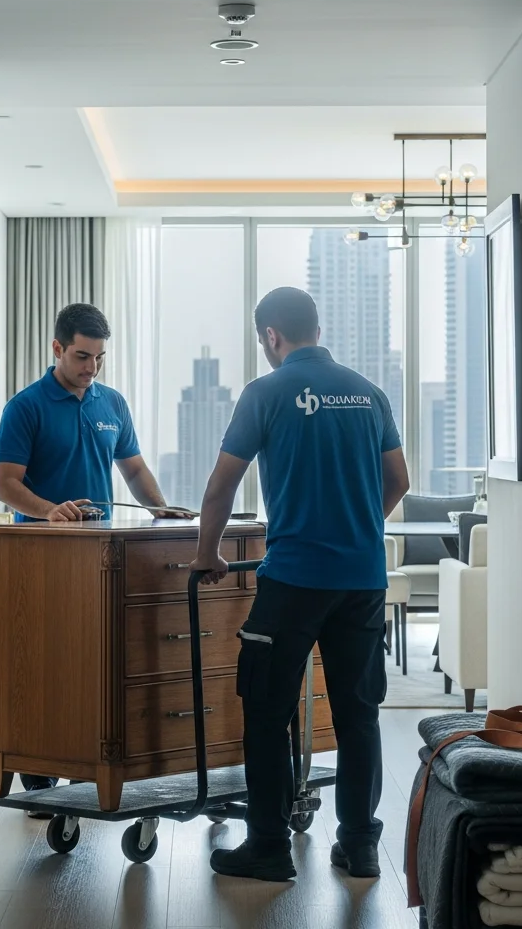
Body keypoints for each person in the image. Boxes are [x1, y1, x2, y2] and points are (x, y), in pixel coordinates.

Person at [192, 286, 410, 882]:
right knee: (358, 713)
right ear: (315, 327)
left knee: (266, 709)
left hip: (293, 580)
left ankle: (268, 847)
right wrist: (358, 527)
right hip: (363, 580)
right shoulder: (370, 393)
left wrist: (207, 553)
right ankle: (361, 845)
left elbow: (220, 486)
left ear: (271, 336)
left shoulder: (266, 392)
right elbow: (399, 479)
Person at [0, 301, 187, 799]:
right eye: (81, 356)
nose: (90, 368)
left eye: (98, 358)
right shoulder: (25, 406)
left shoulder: (112, 403)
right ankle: (39, 766)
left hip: (100, 558)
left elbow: (136, 470)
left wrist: (160, 508)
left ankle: (85, 755)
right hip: (42, 560)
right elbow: (6, 485)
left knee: (92, 663)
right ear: (57, 348)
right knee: (43, 662)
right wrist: (49, 510)